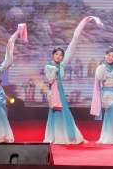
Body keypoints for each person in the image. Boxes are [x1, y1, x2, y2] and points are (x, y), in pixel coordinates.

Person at [44, 16, 102, 144]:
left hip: (60, 92)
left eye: (61, 55)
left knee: (65, 113)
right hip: (53, 92)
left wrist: (84, 22)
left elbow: (74, 41)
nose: (59, 57)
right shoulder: (48, 66)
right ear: (52, 55)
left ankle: (70, 137)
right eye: (56, 54)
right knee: (55, 114)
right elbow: (50, 80)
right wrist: (54, 70)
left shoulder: (62, 65)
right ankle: (56, 137)